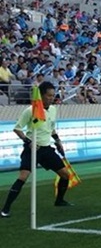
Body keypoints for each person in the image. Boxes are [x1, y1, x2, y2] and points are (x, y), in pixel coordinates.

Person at [1, 82, 72, 218]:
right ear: (41, 95)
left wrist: (57, 141)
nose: (51, 98)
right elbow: (17, 128)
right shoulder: (30, 111)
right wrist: (28, 141)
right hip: (32, 149)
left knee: (65, 175)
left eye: (53, 95)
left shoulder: (53, 110)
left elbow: (51, 128)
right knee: (23, 177)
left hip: (46, 149)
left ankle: (59, 200)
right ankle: (5, 208)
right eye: (48, 96)